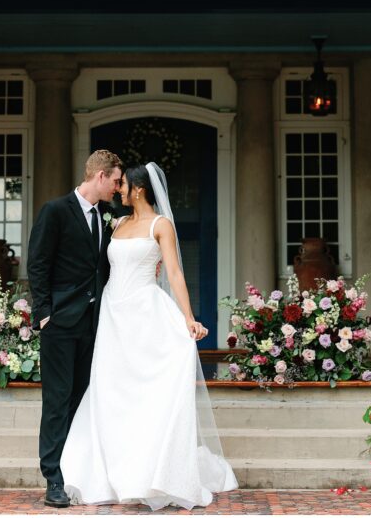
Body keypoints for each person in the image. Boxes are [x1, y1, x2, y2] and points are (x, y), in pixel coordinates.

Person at [59, 162, 239, 510]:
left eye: (123, 184)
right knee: (110, 389)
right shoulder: (120, 223)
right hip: (113, 314)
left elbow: (173, 272)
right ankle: (108, 472)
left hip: (144, 312)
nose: (118, 189)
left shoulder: (161, 225)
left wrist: (188, 318)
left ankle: (149, 472)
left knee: (145, 392)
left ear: (138, 190)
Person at [27, 149, 123, 508]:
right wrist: (44, 314)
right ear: (100, 177)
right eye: (115, 181)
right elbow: (38, 263)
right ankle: (53, 477)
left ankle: (74, 471)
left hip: (94, 326)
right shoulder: (55, 211)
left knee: (80, 402)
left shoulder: (107, 216)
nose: (117, 188)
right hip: (60, 323)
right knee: (56, 401)